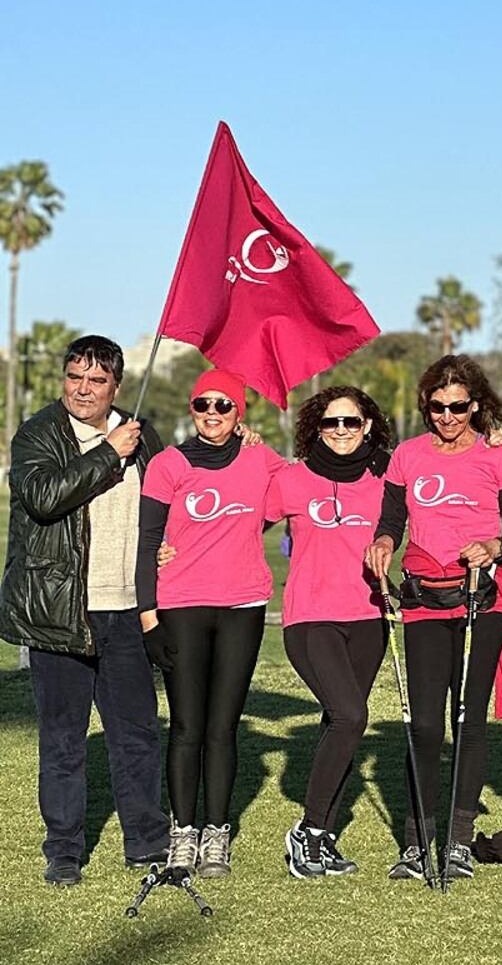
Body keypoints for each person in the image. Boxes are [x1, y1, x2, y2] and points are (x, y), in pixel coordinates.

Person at [0, 336, 168, 886]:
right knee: (64, 740)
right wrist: (106, 453)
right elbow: (45, 497)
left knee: (136, 735)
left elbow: (172, 499)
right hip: (60, 611)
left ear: (115, 385)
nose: (83, 389)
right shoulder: (39, 434)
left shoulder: (142, 436)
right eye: (75, 377)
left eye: (96, 380)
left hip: (126, 612)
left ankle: (146, 843)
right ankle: (64, 851)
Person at [366, 355, 502, 883]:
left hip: (481, 596)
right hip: (423, 597)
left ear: (474, 405)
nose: (447, 417)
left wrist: (493, 545)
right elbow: (391, 517)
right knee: (425, 723)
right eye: (437, 407)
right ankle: (417, 841)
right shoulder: (408, 457)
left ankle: (457, 841)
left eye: (457, 407)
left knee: (468, 719)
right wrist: (385, 541)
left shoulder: (498, 457)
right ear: (426, 407)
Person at [136, 369, 285, 879]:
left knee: (223, 728)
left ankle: (216, 835)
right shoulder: (167, 464)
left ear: (239, 412)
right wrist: (149, 618)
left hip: (242, 607)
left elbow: (277, 506)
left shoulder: (262, 459)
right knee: (186, 727)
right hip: (180, 606)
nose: (213, 414)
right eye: (204, 404)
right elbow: (146, 541)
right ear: (192, 407)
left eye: (225, 405)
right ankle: (183, 834)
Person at [269, 385, 395, 878]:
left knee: (339, 723)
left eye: (351, 422)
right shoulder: (290, 479)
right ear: (315, 428)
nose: (341, 431)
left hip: (368, 618)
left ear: (367, 427)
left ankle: (320, 838)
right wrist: (171, 549)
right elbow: (237, 526)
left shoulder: (385, 480)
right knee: (351, 715)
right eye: (330, 423)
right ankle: (306, 830)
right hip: (310, 617)